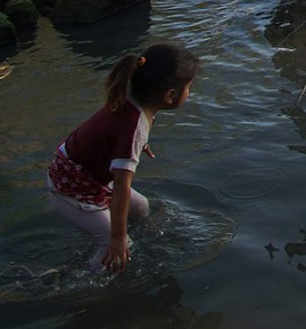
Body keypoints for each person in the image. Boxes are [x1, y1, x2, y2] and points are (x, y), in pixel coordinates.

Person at [46, 44, 199, 273]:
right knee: (118, 246)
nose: (189, 93)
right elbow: (121, 187)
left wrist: (138, 146)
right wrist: (118, 237)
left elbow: (112, 134)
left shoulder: (131, 100)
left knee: (140, 207)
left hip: (80, 173)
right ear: (169, 96)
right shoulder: (133, 127)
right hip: (70, 190)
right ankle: (88, 284)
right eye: (188, 88)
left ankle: (116, 235)